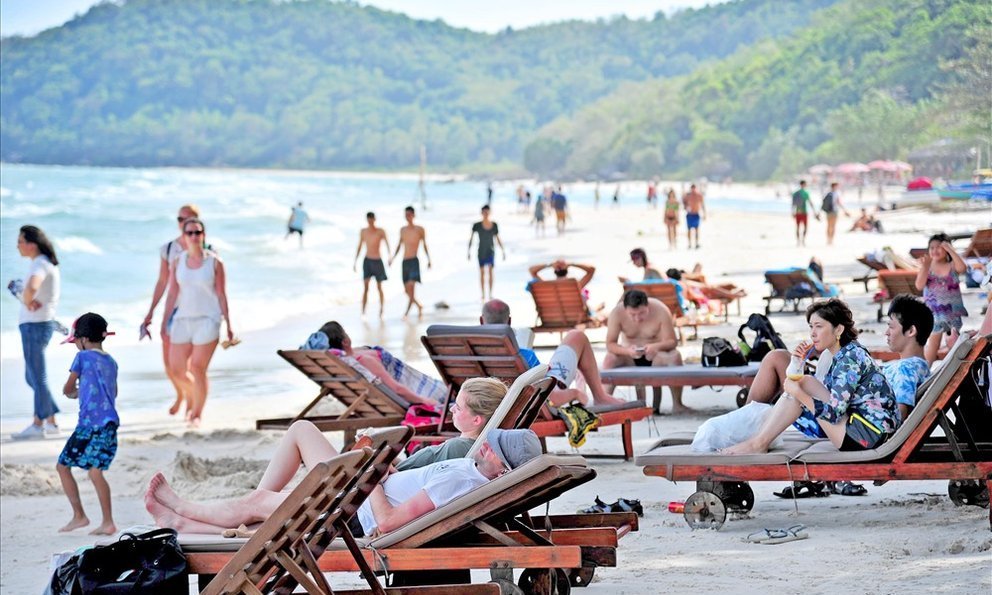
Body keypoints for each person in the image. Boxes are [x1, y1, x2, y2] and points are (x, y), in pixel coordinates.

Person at [145, 427, 542, 536]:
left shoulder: (459, 480)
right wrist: (383, 471)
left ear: (504, 468)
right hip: (358, 496)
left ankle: (182, 510)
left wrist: (371, 479)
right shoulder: (471, 473)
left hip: (351, 513)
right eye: (491, 441)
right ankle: (186, 522)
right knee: (299, 437)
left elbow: (387, 523)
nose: (485, 445)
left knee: (258, 501)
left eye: (494, 450)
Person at [723, 299, 898, 455]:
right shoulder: (847, 353)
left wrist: (798, 394)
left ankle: (757, 443)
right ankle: (757, 441)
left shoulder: (849, 360)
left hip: (866, 437)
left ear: (838, 329)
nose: (813, 333)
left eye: (819, 326)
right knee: (805, 382)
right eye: (811, 326)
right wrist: (797, 363)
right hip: (863, 429)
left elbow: (834, 415)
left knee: (802, 386)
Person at [481, 299, 624, 407]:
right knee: (576, 336)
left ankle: (582, 383)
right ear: (509, 321)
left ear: (482, 321)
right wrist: (576, 393)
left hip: (491, 407)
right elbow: (551, 398)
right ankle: (599, 396)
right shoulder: (523, 356)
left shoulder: (469, 356)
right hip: (532, 407)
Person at [160, 218, 234, 424]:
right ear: (184, 236)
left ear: (203, 235)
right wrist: (163, 322)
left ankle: (197, 414)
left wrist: (229, 324)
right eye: (190, 233)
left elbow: (221, 294)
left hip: (208, 319)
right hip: (182, 320)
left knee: (197, 368)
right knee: (176, 369)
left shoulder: (215, 262)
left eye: (197, 232)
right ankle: (193, 396)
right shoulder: (177, 261)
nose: (194, 236)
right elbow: (172, 294)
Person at [56, 313, 118, 535]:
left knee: (63, 466)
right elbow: (112, 393)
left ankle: (80, 516)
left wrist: (73, 393)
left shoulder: (81, 358)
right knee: (95, 472)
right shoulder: (111, 362)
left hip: (88, 425)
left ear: (82, 339)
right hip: (108, 423)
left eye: (75, 341)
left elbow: (68, 388)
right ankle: (107, 522)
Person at [143, 204, 199, 418]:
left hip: (196, 311)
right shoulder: (168, 249)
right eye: (180, 219)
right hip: (173, 310)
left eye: (188, 219)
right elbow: (162, 282)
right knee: (169, 364)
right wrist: (151, 312)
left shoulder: (205, 248)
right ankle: (182, 393)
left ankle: (194, 401)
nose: (183, 223)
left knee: (188, 364)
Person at [306, 321, 447, 406]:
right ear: (345, 341)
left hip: (424, 383)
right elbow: (397, 389)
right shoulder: (363, 360)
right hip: (427, 391)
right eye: (345, 332)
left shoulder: (346, 360)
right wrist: (424, 400)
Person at [12, 225, 62, 440]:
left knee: (37, 376)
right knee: (32, 376)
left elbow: (32, 287)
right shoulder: (43, 263)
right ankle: (51, 421)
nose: (17, 246)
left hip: (35, 325)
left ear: (31, 245)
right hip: (38, 324)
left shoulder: (40, 264)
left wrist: (27, 299)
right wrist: (26, 297)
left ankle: (37, 424)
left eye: (20, 241)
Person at [602, 290, 687, 413]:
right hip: (630, 356)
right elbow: (610, 344)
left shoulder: (660, 310)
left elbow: (672, 341)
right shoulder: (616, 313)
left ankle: (677, 404)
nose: (637, 318)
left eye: (642, 313)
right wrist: (627, 351)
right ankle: (604, 403)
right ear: (625, 309)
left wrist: (655, 346)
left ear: (648, 306)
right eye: (632, 314)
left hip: (656, 356)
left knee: (675, 356)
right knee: (609, 358)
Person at [916, 233, 969, 364]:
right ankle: (926, 371)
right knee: (933, 345)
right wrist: (925, 267)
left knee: (954, 344)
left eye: (939, 247)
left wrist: (951, 249)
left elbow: (962, 268)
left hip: (952, 313)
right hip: (933, 314)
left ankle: (955, 370)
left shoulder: (952, 266)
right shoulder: (928, 268)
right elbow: (919, 285)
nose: (935, 250)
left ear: (946, 249)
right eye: (932, 248)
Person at [882, 295, 933, 422]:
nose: (886, 332)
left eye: (891, 327)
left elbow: (899, 416)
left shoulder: (905, 369)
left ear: (911, 331)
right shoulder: (921, 367)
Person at [390, 206, 431, 320]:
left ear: (413, 215)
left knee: (412, 290)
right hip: (405, 262)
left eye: (409, 215)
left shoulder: (420, 229)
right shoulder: (402, 230)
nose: (407, 217)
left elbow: (425, 245)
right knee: (406, 290)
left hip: (414, 262)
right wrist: (393, 258)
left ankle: (406, 313)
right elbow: (399, 245)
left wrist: (429, 259)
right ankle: (419, 306)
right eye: (405, 215)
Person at [354, 212, 390, 318]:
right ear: (367, 220)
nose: (370, 221)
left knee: (379, 287)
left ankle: (382, 309)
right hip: (367, 261)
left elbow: (387, 244)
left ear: (375, 219)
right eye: (368, 219)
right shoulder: (363, 231)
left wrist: (389, 256)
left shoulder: (380, 231)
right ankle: (363, 311)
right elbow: (359, 246)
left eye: (372, 219)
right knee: (366, 288)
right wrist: (355, 261)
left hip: (377, 261)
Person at [468, 205, 505, 300]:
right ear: (481, 213)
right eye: (484, 212)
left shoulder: (494, 225)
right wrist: (468, 251)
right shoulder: (476, 225)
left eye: (487, 212)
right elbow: (471, 239)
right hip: (481, 252)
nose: (486, 214)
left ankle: (490, 294)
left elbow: (498, 238)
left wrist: (503, 250)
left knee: (491, 272)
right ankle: (483, 294)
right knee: (482, 273)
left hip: (491, 251)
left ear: (490, 213)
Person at [791, 180, 819, 247]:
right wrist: (814, 212)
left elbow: (793, 204)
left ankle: (798, 241)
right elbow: (810, 202)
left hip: (797, 212)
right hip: (804, 212)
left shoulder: (795, 193)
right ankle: (803, 240)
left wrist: (792, 212)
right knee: (805, 227)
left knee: (797, 227)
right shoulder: (806, 193)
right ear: (804, 184)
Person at [682, 184, 706, 249]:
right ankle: (689, 244)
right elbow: (683, 202)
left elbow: (702, 205)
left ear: (695, 188)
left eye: (694, 188)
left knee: (697, 229)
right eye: (692, 188)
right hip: (689, 214)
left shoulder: (699, 195)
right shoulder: (688, 195)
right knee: (689, 230)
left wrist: (704, 214)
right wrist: (685, 207)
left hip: (696, 214)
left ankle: (696, 243)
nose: (693, 190)